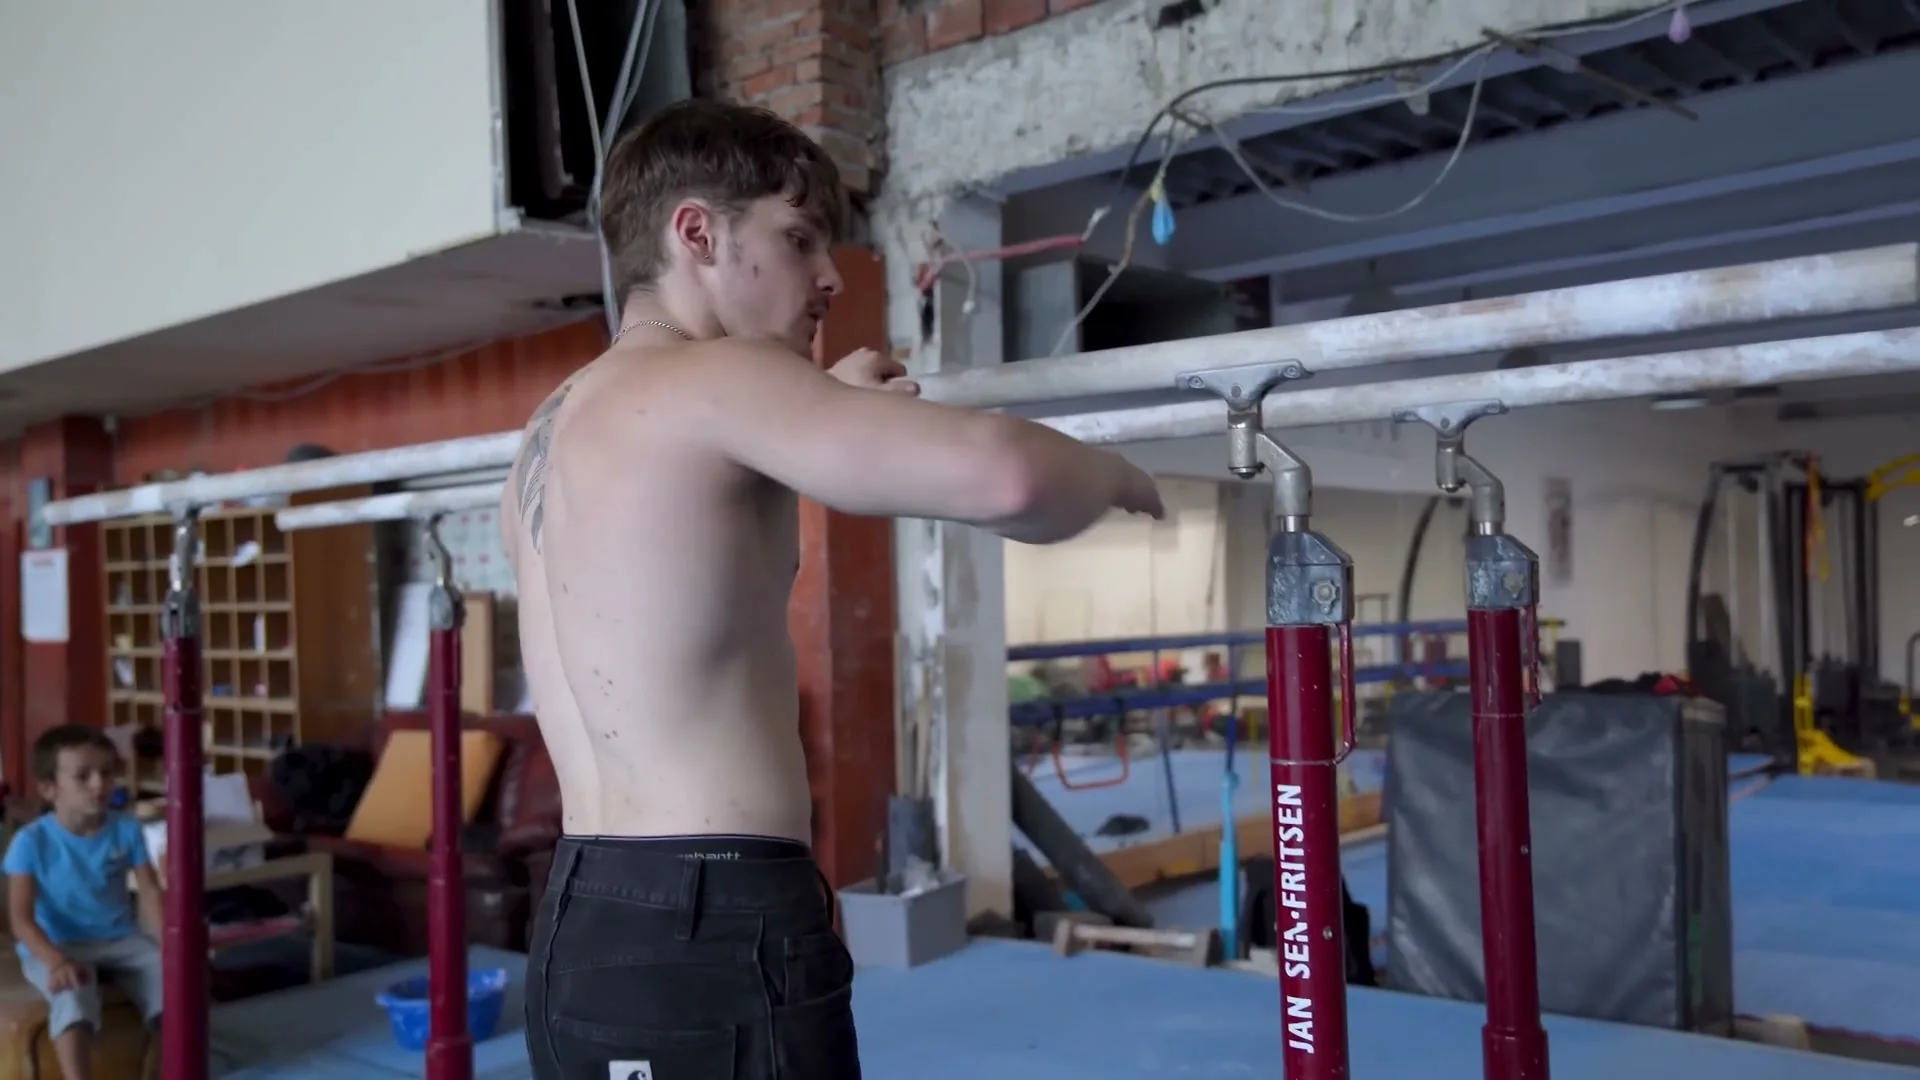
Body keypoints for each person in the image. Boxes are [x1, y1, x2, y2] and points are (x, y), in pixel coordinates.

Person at [503, 98, 1163, 1080]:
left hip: (582, 921)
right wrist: (1120, 477)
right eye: (800, 237)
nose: (827, 278)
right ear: (698, 233)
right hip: (711, 919)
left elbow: (690, 524)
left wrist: (820, 400)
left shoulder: (549, 430)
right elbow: (1011, 482)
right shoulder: (721, 379)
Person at [5, 725, 164, 1080]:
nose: (100, 784)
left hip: (121, 939)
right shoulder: (30, 842)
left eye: (107, 773)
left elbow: (151, 892)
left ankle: (164, 1071)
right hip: (58, 945)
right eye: (83, 776)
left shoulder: (127, 829)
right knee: (72, 996)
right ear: (50, 789)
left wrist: (170, 946)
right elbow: (21, 918)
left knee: (175, 982)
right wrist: (55, 961)